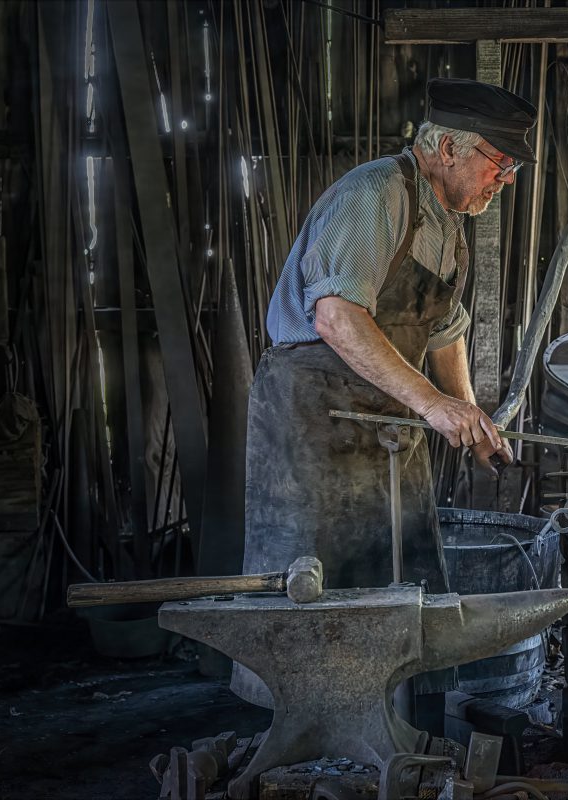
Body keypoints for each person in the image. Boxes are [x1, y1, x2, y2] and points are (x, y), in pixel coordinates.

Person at [230, 79, 537, 712]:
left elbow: (444, 329)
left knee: (395, 580)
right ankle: (301, 733)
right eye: (499, 164)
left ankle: (382, 722)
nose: (504, 180)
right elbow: (338, 318)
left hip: (389, 422)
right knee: (310, 586)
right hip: (316, 420)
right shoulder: (373, 197)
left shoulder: (447, 225)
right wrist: (432, 405)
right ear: (448, 147)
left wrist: (468, 415)